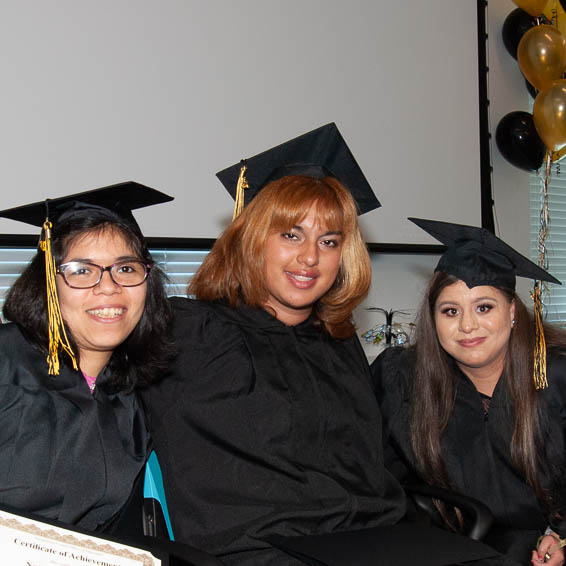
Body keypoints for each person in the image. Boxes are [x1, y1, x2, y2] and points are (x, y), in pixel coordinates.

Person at [141, 124, 503, 566]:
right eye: (291, 235)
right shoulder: (189, 331)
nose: (310, 257)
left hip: (375, 540)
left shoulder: (339, 341)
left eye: (329, 241)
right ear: (252, 239)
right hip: (262, 552)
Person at [371, 217, 566, 566]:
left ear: (511, 312)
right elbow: (373, 467)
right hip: (454, 549)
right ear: (433, 319)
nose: (467, 325)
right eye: (450, 311)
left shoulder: (556, 375)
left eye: (484, 307)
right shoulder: (402, 378)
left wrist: (561, 535)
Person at [0, 182, 175, 534]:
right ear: (48, 282)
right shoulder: (5, 364)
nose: (109, 287)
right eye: (82, 269)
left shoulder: (136, 395)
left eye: (126, 268)